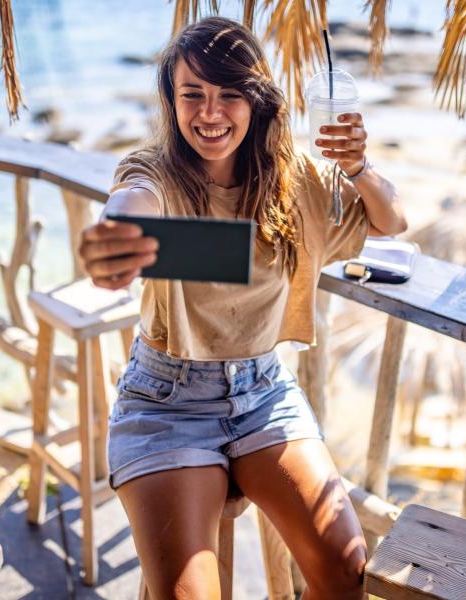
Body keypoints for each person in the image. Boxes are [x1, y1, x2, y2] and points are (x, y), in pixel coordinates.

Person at [79, 16, 406, 599]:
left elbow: (391, 221)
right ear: (171, 102)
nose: (210, 113)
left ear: (256, 100)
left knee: (345, 570)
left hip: (264, 391)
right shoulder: (156, 172)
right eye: (192, 95)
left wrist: (358, 166)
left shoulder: (294, 179)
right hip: (167, 403)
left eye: (230, 94)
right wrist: (116, 235)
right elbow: (130, 200)